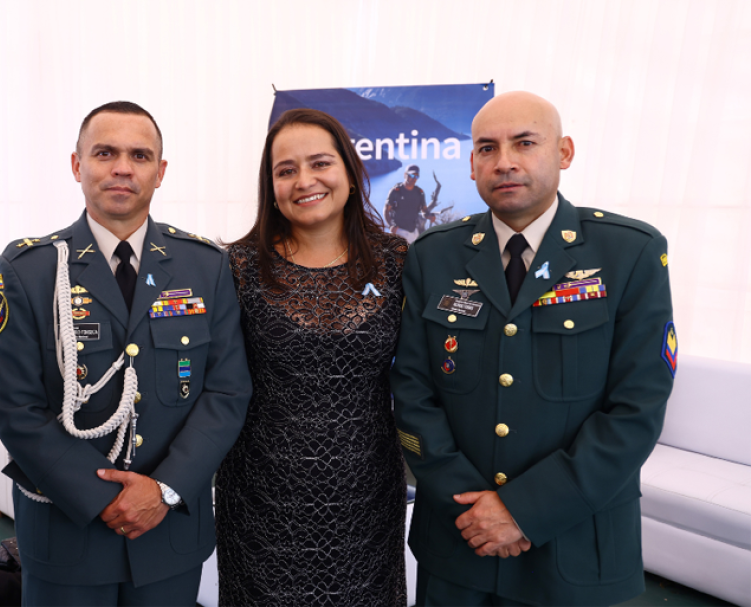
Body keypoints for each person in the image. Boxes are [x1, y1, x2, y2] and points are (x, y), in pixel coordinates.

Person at [390, 91, 675, 606]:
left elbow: (638, 407)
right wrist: (473, 509)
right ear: (471, 164)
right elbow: (412, 389)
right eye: (486, 148)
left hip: (574, 546)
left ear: (564, 152)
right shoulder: (433, 256)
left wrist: (523, 510)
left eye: (525, 143)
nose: (505, 163)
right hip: (460, 542)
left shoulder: (628, 252)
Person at [0, 101, 251, 607]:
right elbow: (16, 409)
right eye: (105, 153)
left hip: (168, 533)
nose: (122, 168)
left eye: (140, 155)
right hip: (68, 534)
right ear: (76, 165)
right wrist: (103, 498)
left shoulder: (205, 266)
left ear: (160, 172)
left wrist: (164, 490)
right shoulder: (32, 268)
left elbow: (227, 391)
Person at [214, 108, 409, 606]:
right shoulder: (235, 267)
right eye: (286, 171)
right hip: (262, 499)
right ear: (271, 185)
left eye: (320, 163)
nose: (305, 181)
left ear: (348, 169)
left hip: (365, 496)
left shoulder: (398, 262)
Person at [384, 164, 434, 243]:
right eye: (411, 175)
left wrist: (429, 216)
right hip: (399, 231)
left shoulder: (419, 192)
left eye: (416, 176)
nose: (414, 178)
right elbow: (386, 210)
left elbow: (424, 211)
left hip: (414, 232)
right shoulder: (396, 191)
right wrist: (391, 225)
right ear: (405, 175)